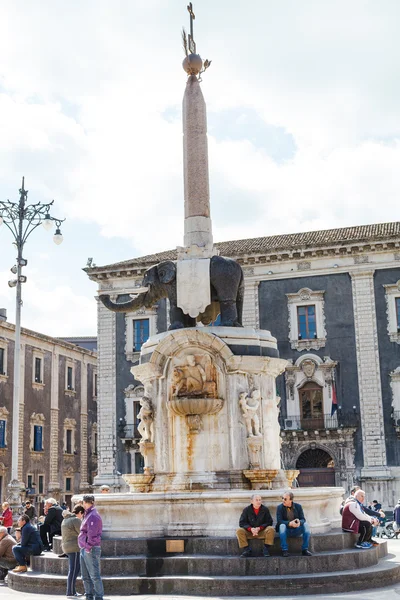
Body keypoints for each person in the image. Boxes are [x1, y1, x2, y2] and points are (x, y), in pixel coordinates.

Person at [78, 494, 104, 600]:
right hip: (85, 548)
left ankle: (98, 597)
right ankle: (88, 595)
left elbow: (92, 534)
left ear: (85, 502)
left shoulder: (93, 515)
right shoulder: (88, 514)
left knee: (94, 575)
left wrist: (88, 547)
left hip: (90, 549)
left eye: (83, 502)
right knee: (85, 575)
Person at [276, 491, 312, 557]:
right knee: (282, 526)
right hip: (286, 530)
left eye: (285, 499)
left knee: (306, 525)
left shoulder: (298, 506)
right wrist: (289, 523)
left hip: (296, 529)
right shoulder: (279, 507)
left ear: (291, 500)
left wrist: (299, 522)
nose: (283, 500)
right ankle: (284, 550)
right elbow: (279, 521)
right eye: (282, 498)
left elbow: (303, 519)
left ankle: (305, 549)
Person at [61, 504, 85, 598]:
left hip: (67, 547)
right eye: (82, 515)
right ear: (79, 512)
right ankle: (70, 592)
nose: (82, 517)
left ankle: (72, 591)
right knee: (74, 570)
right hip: (74, 547)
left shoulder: (65, 519)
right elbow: (82, 532)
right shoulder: (75, 520)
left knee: (74, 569)